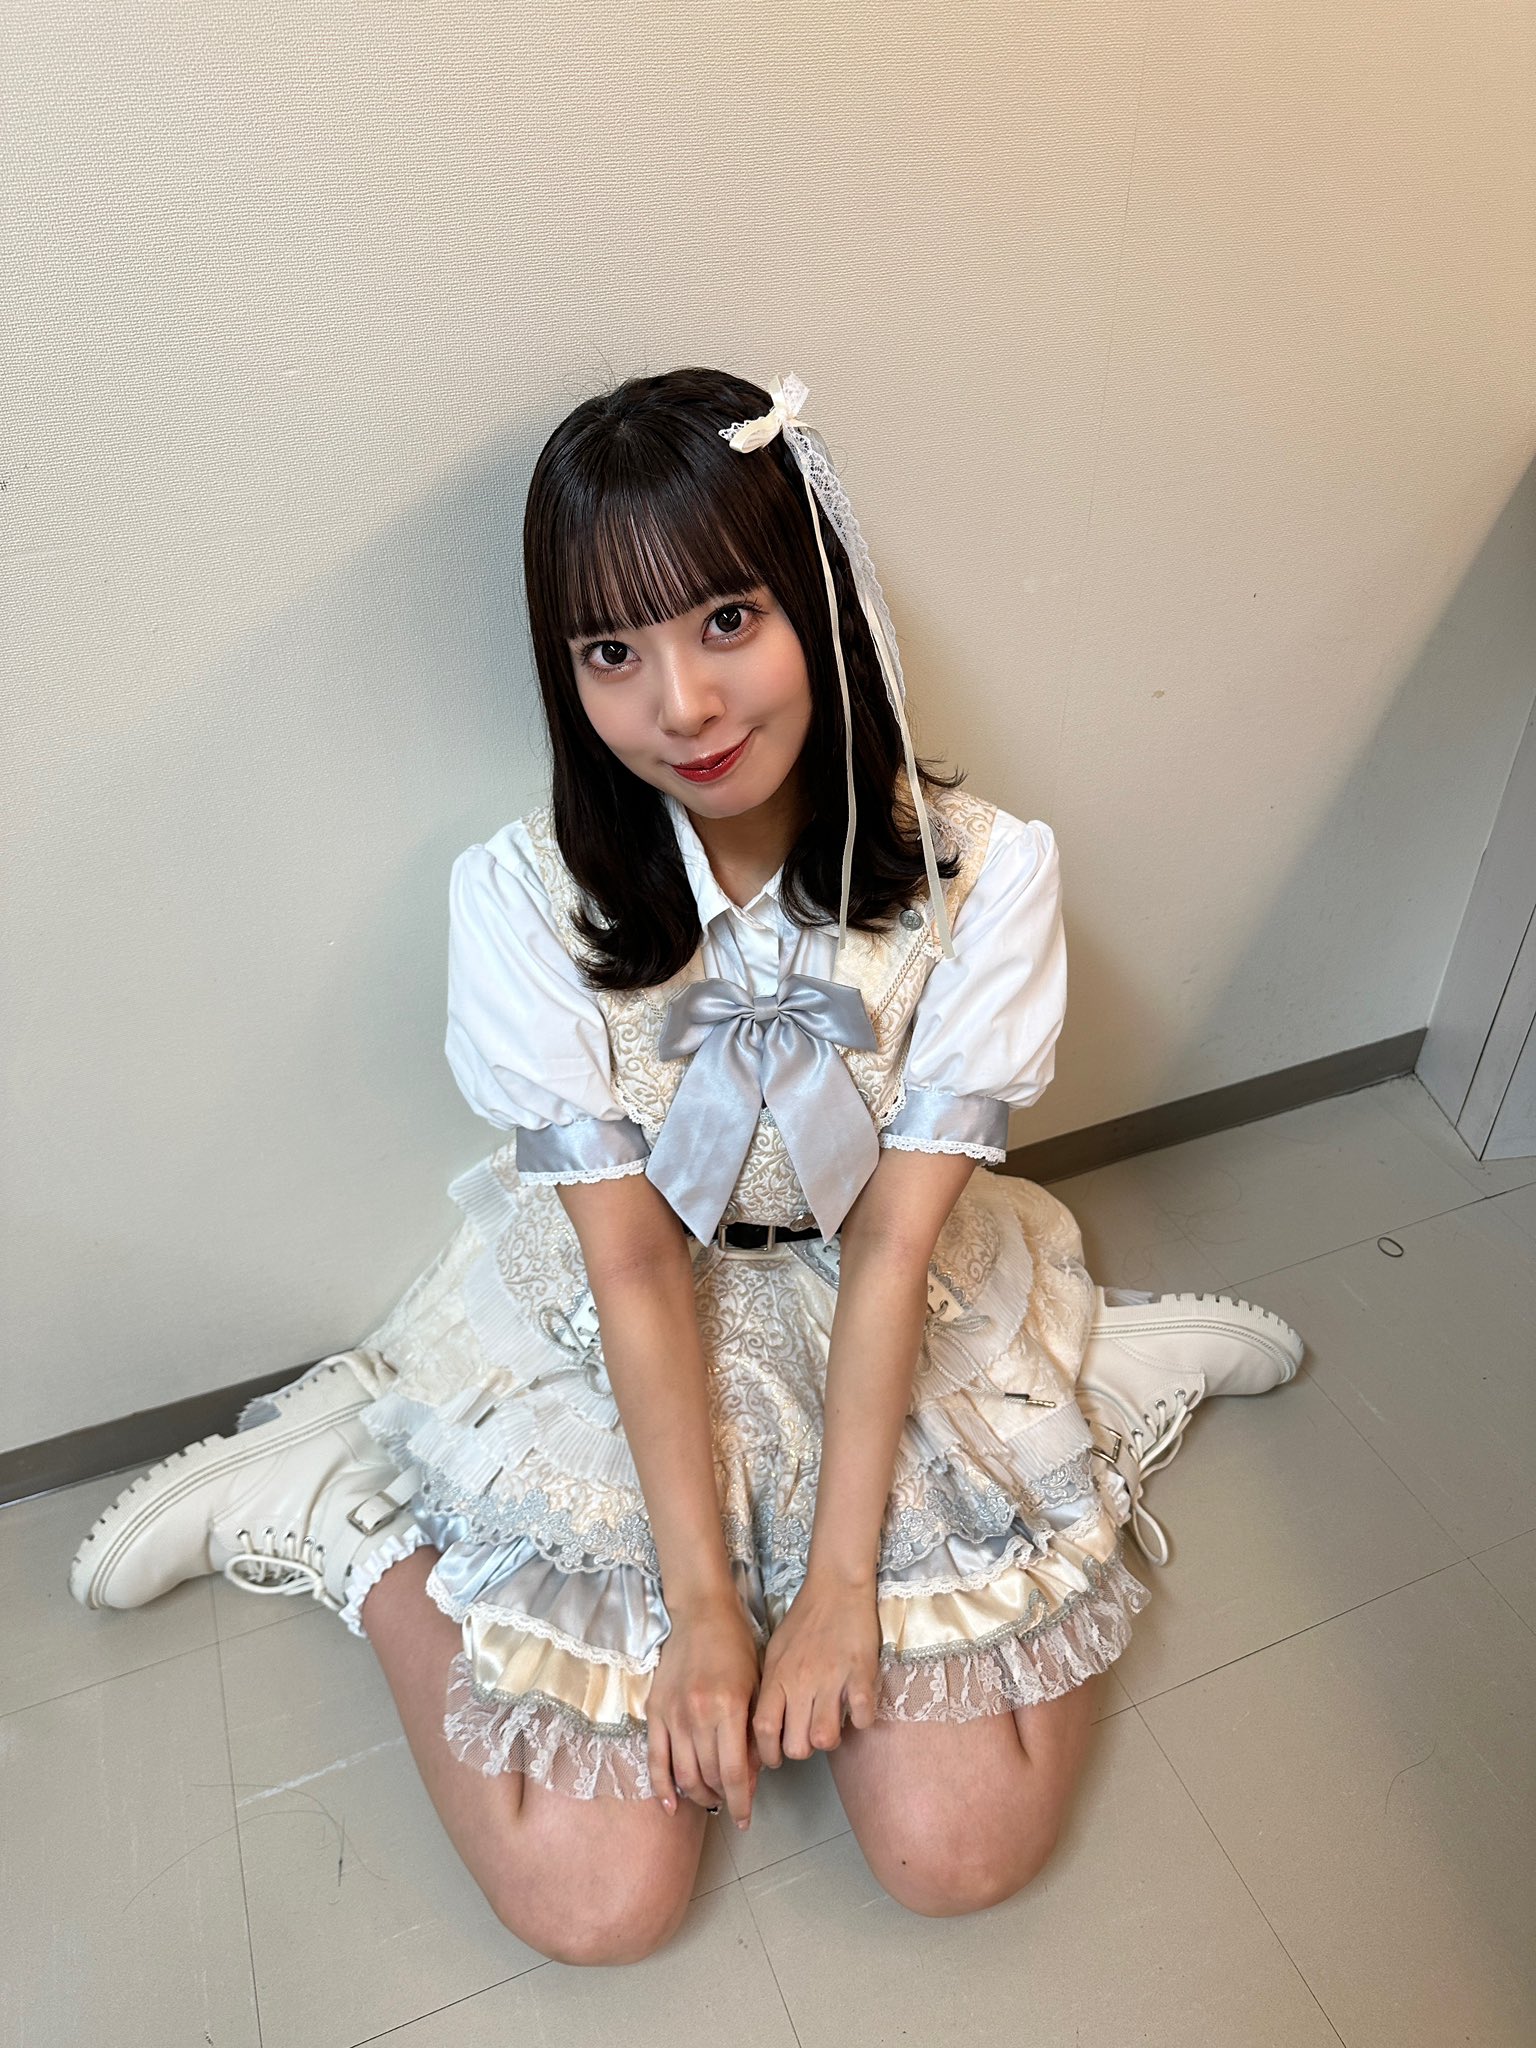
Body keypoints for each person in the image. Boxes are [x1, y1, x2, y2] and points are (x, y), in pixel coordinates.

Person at [70, 367, 1302, 1963]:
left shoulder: (988, 877)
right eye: (612, 651)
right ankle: (344, 1516)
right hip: (635, 1309)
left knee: (959, 1853)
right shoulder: (521, 901)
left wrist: (840, 1588)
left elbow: (891, 1246)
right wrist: (706, 1609)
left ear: (818, 599)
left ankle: (1083, 1393)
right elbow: (636, 1260)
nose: (685, 706)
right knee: (598, 1903)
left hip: (889, 1283)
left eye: (729, 619)